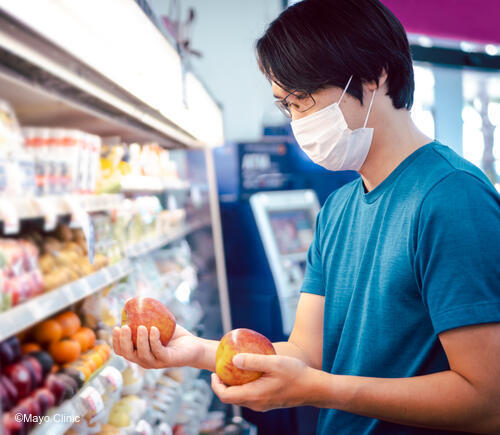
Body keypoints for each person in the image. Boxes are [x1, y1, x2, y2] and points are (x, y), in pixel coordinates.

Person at [113, 0, 500, 433]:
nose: (298, 120)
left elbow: (487, 401)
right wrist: (198, 351)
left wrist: (319, 389)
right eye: (287, 105)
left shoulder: (452, 198)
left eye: (304, 100)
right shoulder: (338, 209)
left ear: (374, 76)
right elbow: (306, 353)